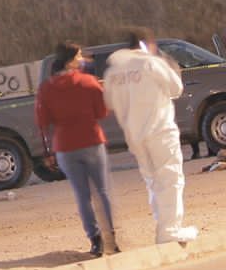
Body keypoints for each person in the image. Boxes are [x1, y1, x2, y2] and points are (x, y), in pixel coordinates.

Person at [103, 29, 198, 246]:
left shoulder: (113, 72)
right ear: (148, 44)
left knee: (152, 181)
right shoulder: (151, 64)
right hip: (160, 130)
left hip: (134, 135)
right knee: (171, 180)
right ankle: (169, 231)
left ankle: (163, 227)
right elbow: (176, 88)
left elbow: (108, 102)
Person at [34, 42, 119, 257]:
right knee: (102, 191)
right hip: (91, 140)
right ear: (71, 60)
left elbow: (43, 121)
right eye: (80, 56)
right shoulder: (88, 82)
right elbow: (102, 112)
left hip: (65, 146)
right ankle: (111, 238)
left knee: (82, 196)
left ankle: (95, 240)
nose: (82, 59)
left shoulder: (47, 88)